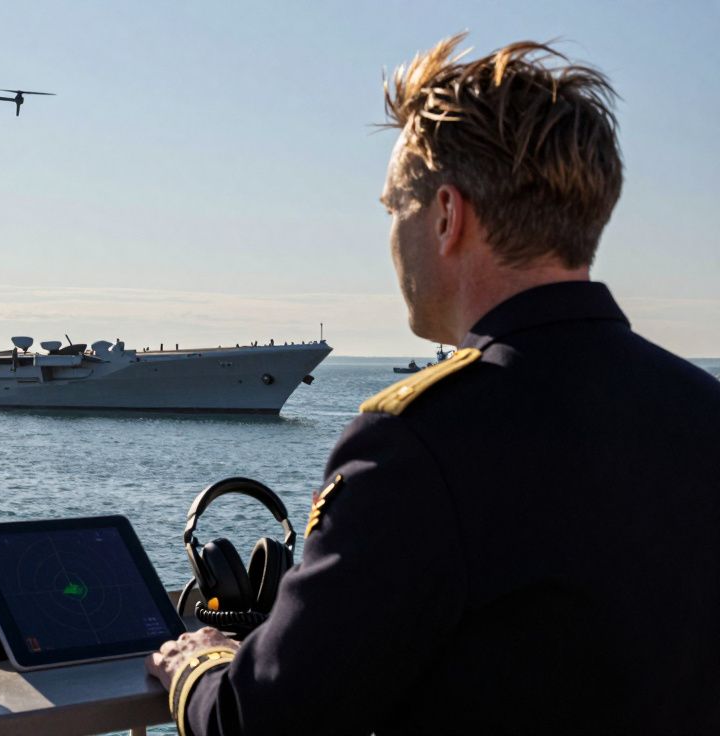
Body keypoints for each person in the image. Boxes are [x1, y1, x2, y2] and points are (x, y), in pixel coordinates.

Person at [147, 33, 720, 735]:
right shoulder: (702, 411)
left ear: (447, 215)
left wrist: (198, 667)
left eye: (395, 207)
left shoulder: (416, 447)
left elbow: (262, 718)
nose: (391, 233)